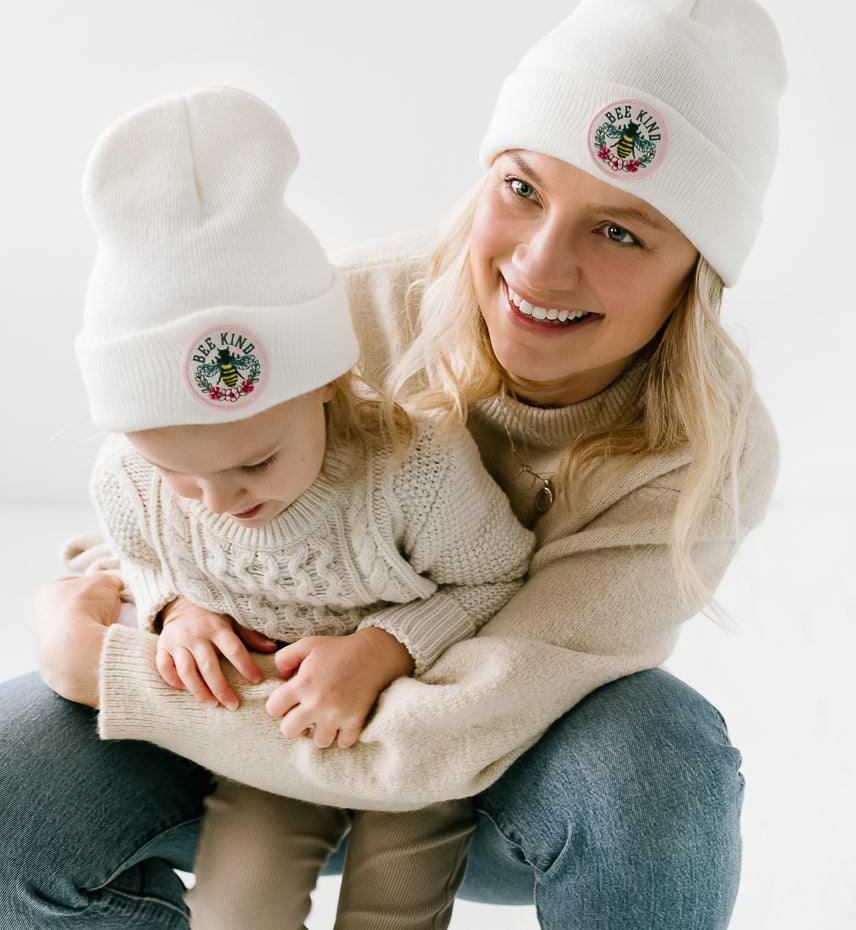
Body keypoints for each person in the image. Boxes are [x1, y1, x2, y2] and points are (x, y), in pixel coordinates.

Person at [3, 0, 785, 929]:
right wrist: (156, 612)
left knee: (661, 765)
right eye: (521, 187)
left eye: (621, 232)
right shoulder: (330, 325)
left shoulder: (704, 452)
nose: (538, 266)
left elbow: (461, 728)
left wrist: (110, 675)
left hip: (488, 777)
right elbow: (154, 512)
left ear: (696, 274)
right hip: (249, 744)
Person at [62, 85, 535, 930]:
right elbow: (140, 550)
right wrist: (175, 607)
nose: (220, 502)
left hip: (410, 732)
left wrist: (387, 646)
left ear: (323, 383)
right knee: (235, 912)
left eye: (254, 461)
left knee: (393, 905)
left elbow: (501, 579)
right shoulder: (129, 479)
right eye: (181, 474)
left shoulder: (413, 471)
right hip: (269, 742)